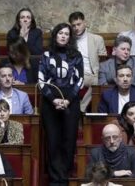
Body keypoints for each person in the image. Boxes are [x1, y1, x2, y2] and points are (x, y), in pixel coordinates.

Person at [38, 22, 84, 186]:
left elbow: (80, 80)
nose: (63, 36)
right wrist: (54, 99)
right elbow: (41, 80)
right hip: (50, 102)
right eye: (60, 33)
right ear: (55, 35)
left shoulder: (76, 55)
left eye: (66, 33)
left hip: (71, 101)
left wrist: (68, 100)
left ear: (70, 37)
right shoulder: (46, 55)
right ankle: (56, 179)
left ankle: (65, 176)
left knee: (69, 140)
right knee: (53, 140)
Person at [70, 11, 107, 111]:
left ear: (85, 23)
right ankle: (81, 109)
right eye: (73, 26)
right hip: (77, 74)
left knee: (99, 81)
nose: (76, 28)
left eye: (79, 24)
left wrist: (100, 73)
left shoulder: (97, 39)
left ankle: (81, 108)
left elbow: (104, 60)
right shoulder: (69, 41)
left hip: (94, 74)